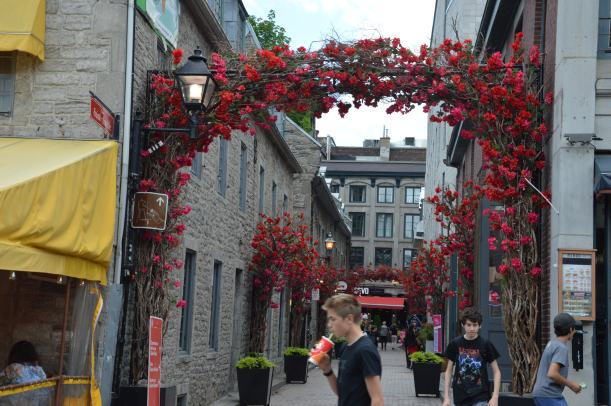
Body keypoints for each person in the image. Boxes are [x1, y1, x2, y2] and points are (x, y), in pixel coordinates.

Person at [317, 294, 384, 406]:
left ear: (349, 319)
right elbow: (342, 393)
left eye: (333, 319)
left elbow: (377, 399)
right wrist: (327, 370)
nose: (329, 325)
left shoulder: (365, 350)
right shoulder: (345, 347)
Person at [443, 308, 501, 406]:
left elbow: (497, 371)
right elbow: (448, 371)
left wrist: (495, 397)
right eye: (468, 325)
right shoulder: (455, 344)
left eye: (475, 325)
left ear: (480, 326)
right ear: (463, 325)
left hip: (480, 396)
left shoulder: (485, 344)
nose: (472, 328)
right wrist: (446, 397)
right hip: (460, 396)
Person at [532, 313, 582, 405]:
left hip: (542, 394)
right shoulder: (561, 348)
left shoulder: (552, 343)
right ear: (571, 329)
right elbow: (552, 373)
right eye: (574, 328)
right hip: (548, 395)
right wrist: (572, 385)